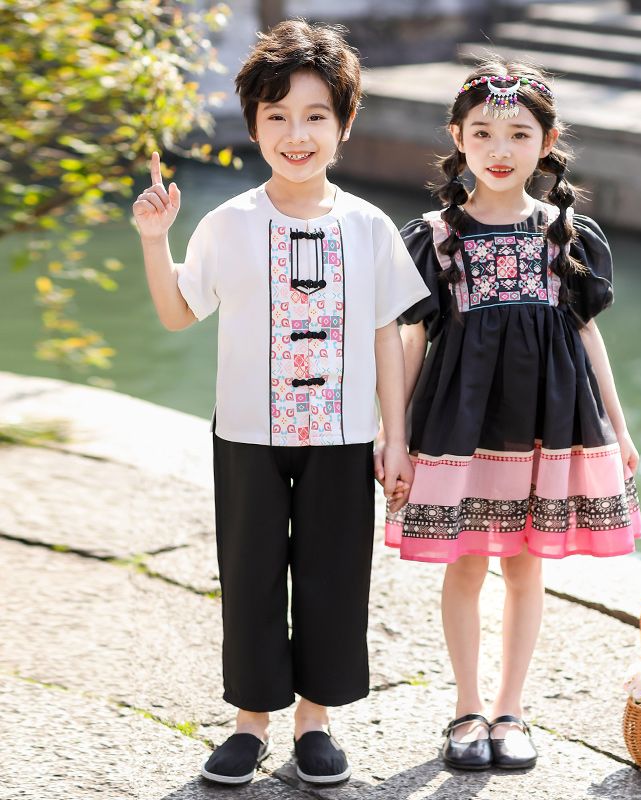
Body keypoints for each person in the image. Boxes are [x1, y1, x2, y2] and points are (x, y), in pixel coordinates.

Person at [132, 20, 428, 787]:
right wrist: (154, 240)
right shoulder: (227, 223)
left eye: (315, 116)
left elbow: (388, 335)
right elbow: (176, 313)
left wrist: (396, 439)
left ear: (343, 125)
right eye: (277, 117)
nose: (296, 134)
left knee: (333, 575)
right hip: (246, 434)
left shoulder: (368, 228)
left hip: (341, 435)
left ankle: (315, 723)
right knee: (252, 571)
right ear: (254, 123)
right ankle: (250, 723)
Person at [381, 59, 641, 771]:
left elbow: (588, 334)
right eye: (484, 132)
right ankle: (466, 707)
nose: (501, 149)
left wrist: (619, 431)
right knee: (465, 567)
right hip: (459, 425)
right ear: (458, 139)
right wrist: (395, 438)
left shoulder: (568, 236)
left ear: (547, 140)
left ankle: (511, 709)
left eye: (519, 134)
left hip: (547, 422)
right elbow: (412, 339)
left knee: (527, 567)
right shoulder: (436, 236)